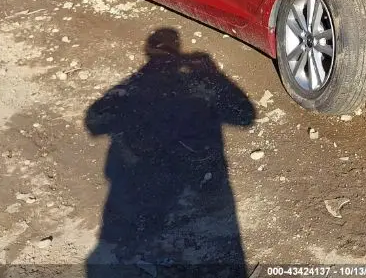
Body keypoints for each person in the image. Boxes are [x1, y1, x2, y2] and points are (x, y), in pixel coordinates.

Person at [86, 28, 255, 276]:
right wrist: (213, 75)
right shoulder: (187, 84)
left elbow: (95, 121)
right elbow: (245, 116)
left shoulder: (136, 87)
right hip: (196, 199)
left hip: (153, 197)